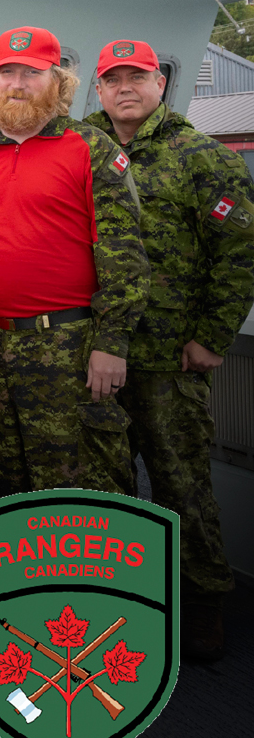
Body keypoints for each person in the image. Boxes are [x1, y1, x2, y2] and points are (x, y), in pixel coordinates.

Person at [85, 39, 254, 661]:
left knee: (182, 485)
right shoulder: (81, 150)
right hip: (98, 354)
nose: (124, 88)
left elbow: (237, 252)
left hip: (167, 358)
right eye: (112, 80)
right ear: (96, 90)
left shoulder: (200, 157)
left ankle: (205, 603)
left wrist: (213, 335)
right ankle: (124, 607)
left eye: (136, 77)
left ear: (160, 83)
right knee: (105, 491)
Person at [0, 26, 150, 505]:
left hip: (69, 349)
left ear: (58, 82)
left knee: (78, 489)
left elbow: (125, 255)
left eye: (31, 74)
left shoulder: (91, 150)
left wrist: (111, 343)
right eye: (6, 72)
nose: (17, 84)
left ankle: (86, 582)